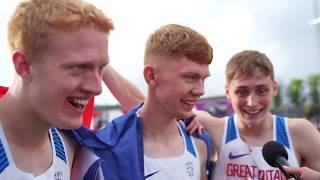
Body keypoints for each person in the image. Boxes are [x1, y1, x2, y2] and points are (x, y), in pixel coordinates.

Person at [0, 0, 144, 179]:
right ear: (24, 66)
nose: (97, 88)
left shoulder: (71, 143)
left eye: (101, 68)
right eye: (79, 67)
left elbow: (147, 118)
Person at [73, 24, 214, 179]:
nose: (200, 90)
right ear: (151, 76)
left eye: (204, 78)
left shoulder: (200, 142)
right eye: (190, 77)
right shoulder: (101, 152)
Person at [189, 50, 320, 179]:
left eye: (261, 91)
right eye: (241, 92)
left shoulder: (300, 131)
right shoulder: (216, 128)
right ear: (228, 92)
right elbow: (177, 113)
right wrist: (190, 116)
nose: (252, 102)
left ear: (274, 88)